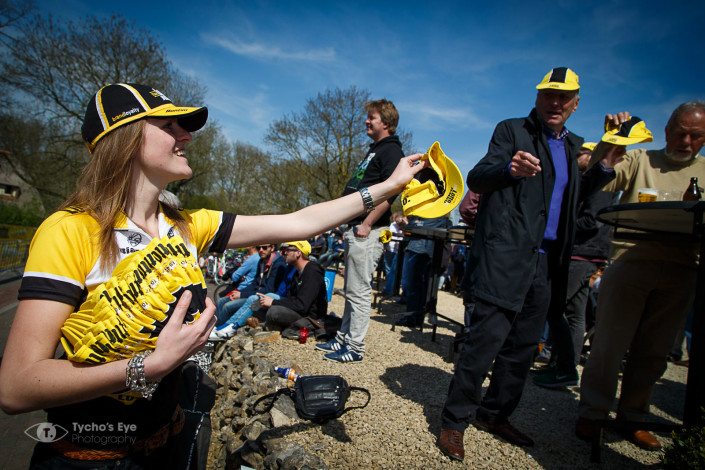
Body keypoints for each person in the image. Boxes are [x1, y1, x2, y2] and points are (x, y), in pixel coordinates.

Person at [0, 83, 425, 468]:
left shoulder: (188, 224)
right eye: (170, 126)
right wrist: (147, 367)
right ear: (124, 138)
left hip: (170, 442)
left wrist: (388, 187)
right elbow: (16, 387)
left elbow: (299, 222)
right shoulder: (70, 230)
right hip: (88, 457)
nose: (186, 136)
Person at [436, 67, 624, 461]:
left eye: (563, 97)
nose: (555, 102)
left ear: (575, 104)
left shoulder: (573, 146)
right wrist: (509, 168)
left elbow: (573, 197)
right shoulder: (512, 131)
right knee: (484, 342)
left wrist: (605, 164)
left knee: (522, 347)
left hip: (548, 262)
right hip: (506, 256)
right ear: (537, 97)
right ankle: (454, 422)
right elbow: (478, 177)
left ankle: (495, 414)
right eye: (548, 94)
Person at [576, 102, 705, 451]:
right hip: (631, 261)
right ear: (667, 131)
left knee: (655, 350)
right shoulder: (641, 159)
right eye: (680, 133)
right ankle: (593, 412)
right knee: (609, 344)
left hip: (682, 267)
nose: (686, 141)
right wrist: (611, 140)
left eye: (695, 136)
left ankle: (634, 414)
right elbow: (600, 178)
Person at [316, 99, 405, 363]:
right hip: (356, 228)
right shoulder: (376, 150)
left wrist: (367, 223)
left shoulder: (391, 152)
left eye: (372, 117)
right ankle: (343, 338)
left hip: (368, 230)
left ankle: (354, 347)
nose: (366, 121)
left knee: (359, 290)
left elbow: (391, 192)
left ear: (386, 123)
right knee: (351, 289)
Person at [533, 142, 613, 389]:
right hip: (585, 254)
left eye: (580, 154)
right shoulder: (590, 182)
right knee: (574, 314)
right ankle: (563, 366)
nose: (576, 157)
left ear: (592, 156)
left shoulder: (598, 185)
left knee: (556, 310)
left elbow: (591, 221)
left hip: (582, 254)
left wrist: (559, 226)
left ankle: (565, 367)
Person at [210, 243, 287, 340]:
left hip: (265, 297)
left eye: (264, 247)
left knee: (228, 306)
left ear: (272, 248)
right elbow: (255, 283)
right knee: (222, 301)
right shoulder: (262, 261)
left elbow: (269, 290)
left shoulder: (278, 264)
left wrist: (242, 294)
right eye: (258, 247)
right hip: (256, 293)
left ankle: (226, 328)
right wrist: (239, 292)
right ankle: (217, 327)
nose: (261, 250)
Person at [395, 215, 452, 328]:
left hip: (419, 249)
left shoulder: (426, 215)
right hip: (432, 252)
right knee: (424, 287)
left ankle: (412, 318)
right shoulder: (443, 217)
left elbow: (413, 226)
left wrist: (407, 223)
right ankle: (418, 317)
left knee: (413, 285)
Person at [262, 240, 328, 335]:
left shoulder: (312, 272)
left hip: (310, 317)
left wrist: (273, 302)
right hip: (299, 311)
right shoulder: (298, 272)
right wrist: (272, 301)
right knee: (263, 301)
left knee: (274, 311)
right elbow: (291, 298)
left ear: (298, 253)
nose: (285, 252)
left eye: (288, 250)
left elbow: (302, 306)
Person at [214, 245, 259, 323]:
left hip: (244, 289)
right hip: (249, 290)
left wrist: (241, 294)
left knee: (223, 303)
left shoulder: (252, 259)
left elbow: (235, 277)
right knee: (222, 301)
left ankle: (219, 325)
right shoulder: (257, 258)